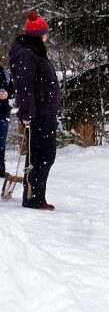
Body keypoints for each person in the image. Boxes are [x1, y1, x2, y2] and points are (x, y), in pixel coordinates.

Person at [9, 12, 61, 210]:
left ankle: (35, 196)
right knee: (43, 155)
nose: (47, 36)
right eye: (45, 33)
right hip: (38, 114)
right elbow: (25, 87)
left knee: (41, 156)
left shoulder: (34, 51)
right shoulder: (26, 54)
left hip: (44, 111)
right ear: (39, 34)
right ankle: (33, 198)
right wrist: (28, 114)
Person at [0, 60, 14, 177]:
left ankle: (0, 170)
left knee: (1, 144)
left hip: (3, 114)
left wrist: (7, 94)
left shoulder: (6, 74)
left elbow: (13, 91)